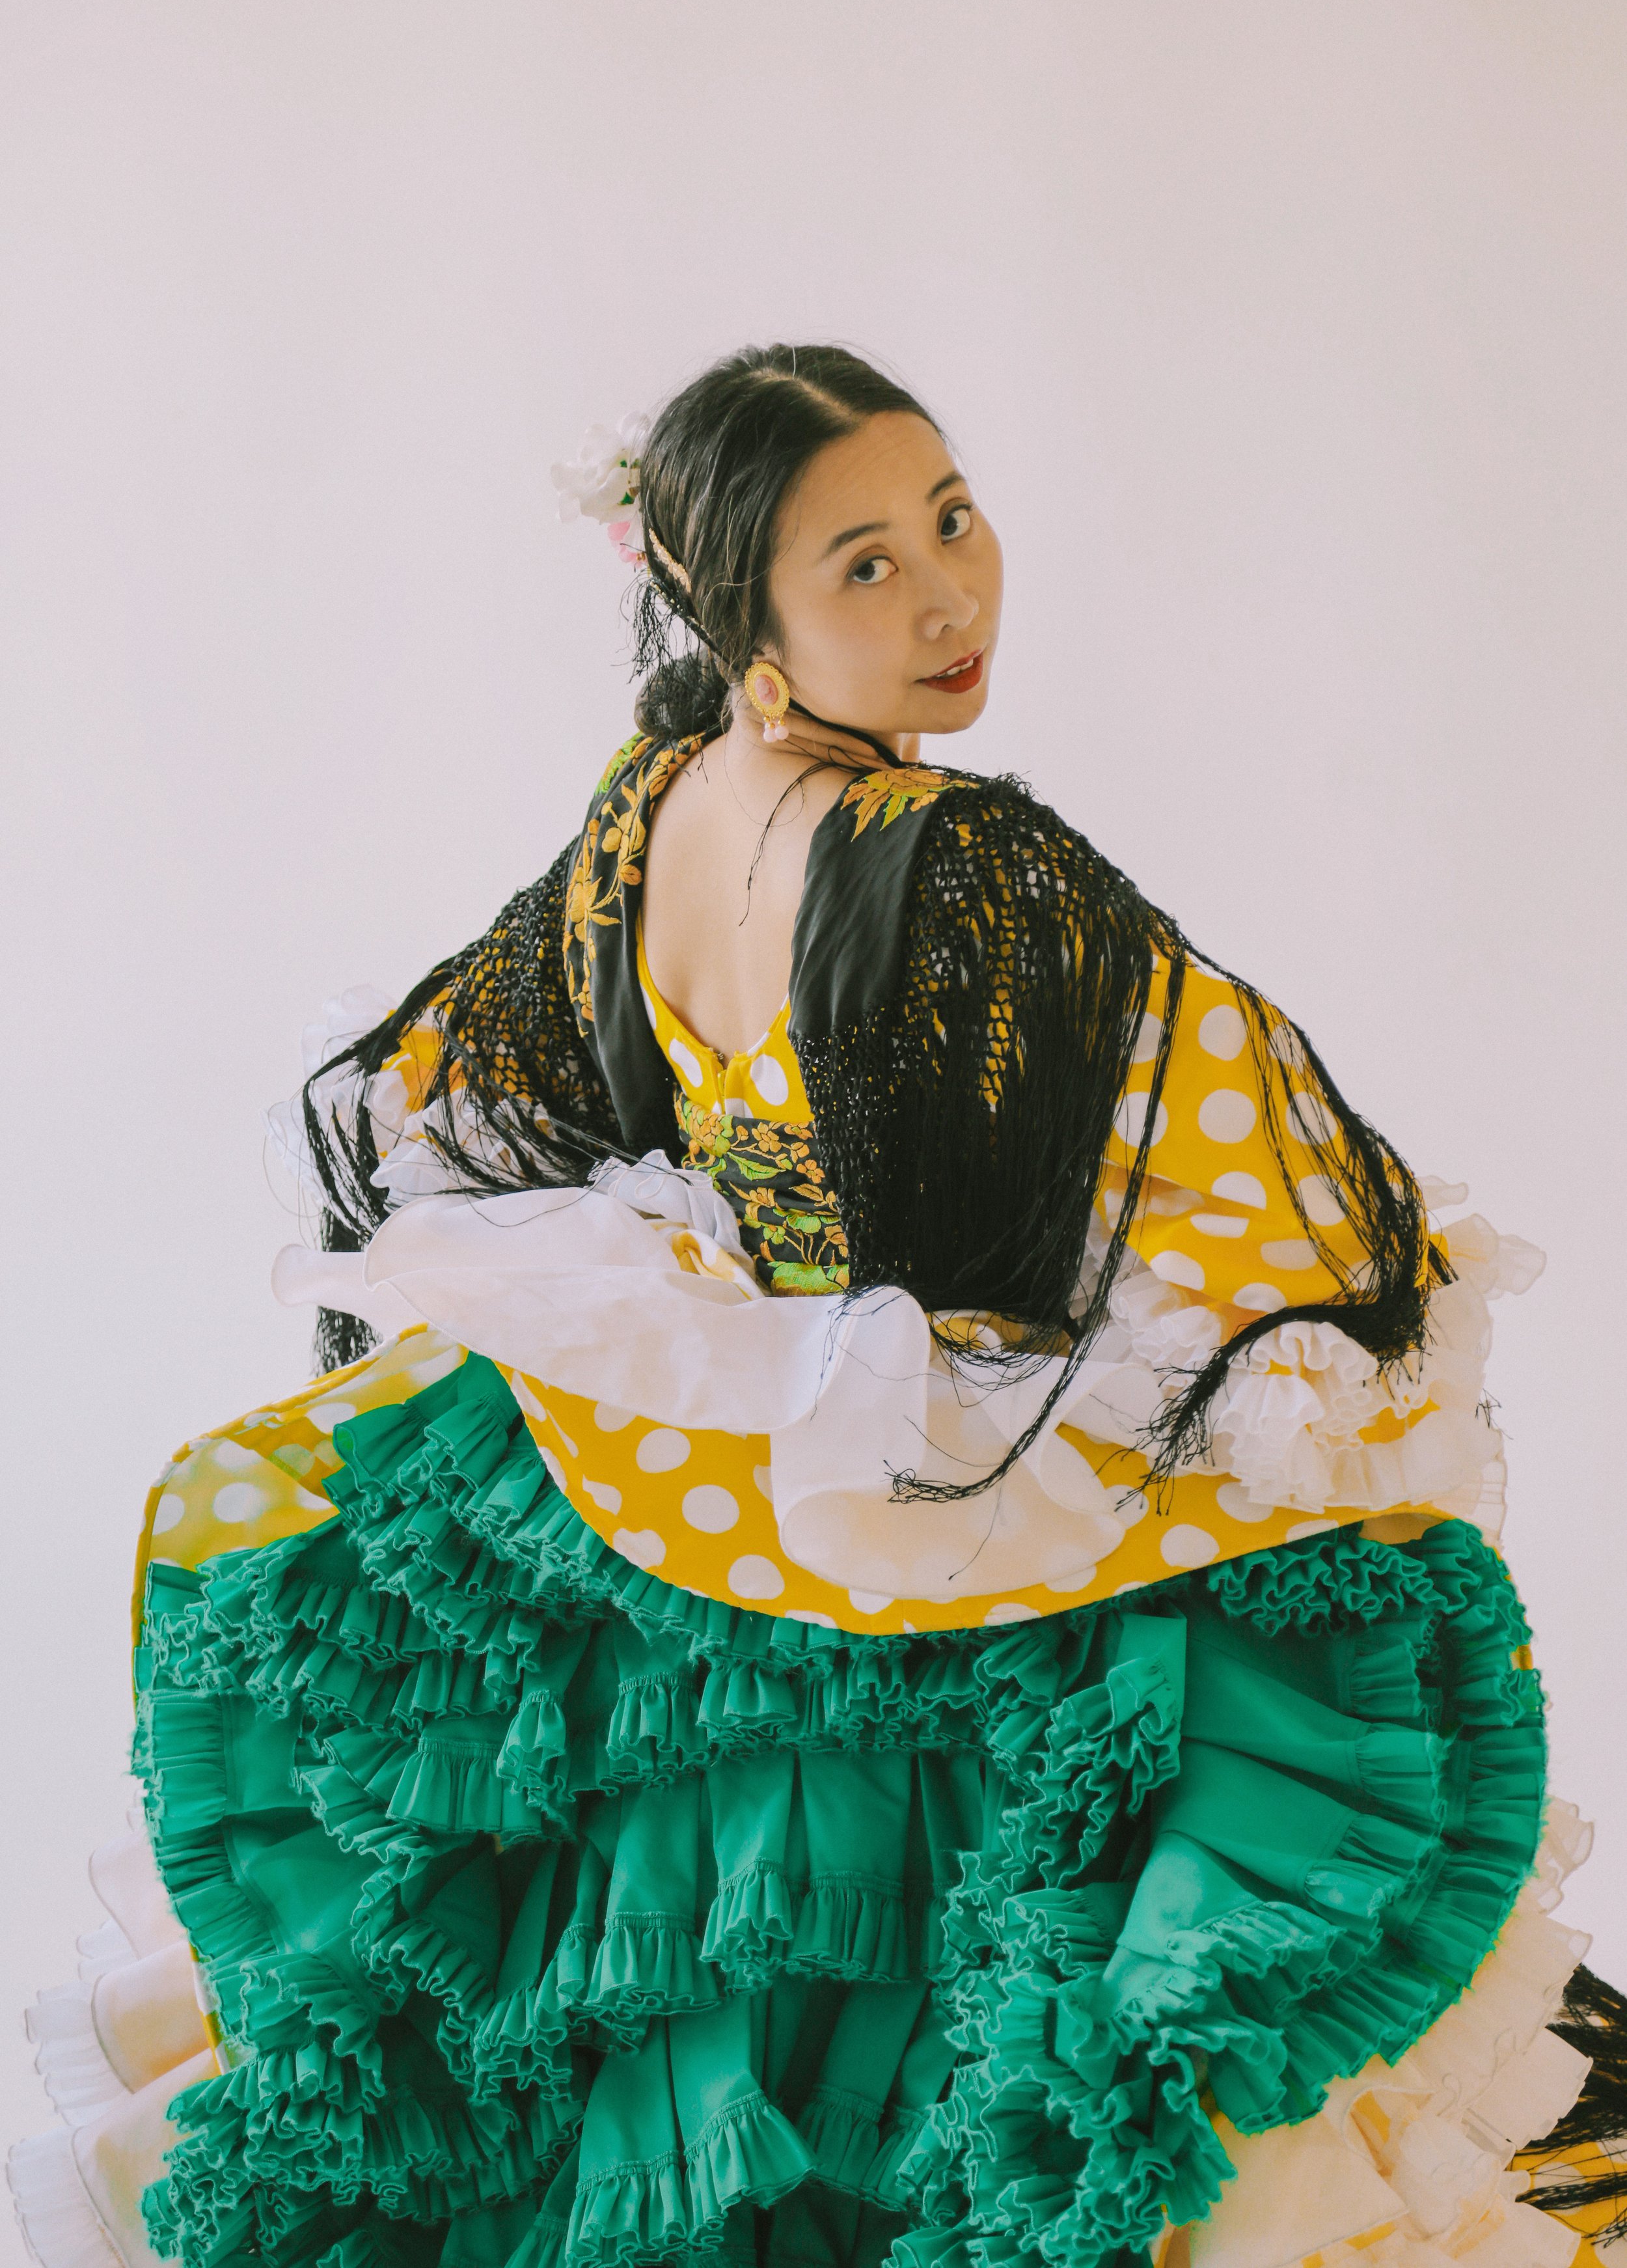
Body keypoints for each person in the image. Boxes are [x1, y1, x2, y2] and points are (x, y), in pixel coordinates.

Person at [12, 345, 1624, 2268]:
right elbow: (1263, 1182)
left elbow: (487, 1074)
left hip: (689, 1477)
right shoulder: (956, 856)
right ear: (737, 617)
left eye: (952, 515)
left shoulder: (659, 801)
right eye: (862, 563)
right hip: (899, 1511)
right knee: (1205, 1780)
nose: (948, 594)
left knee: (661, 2039)